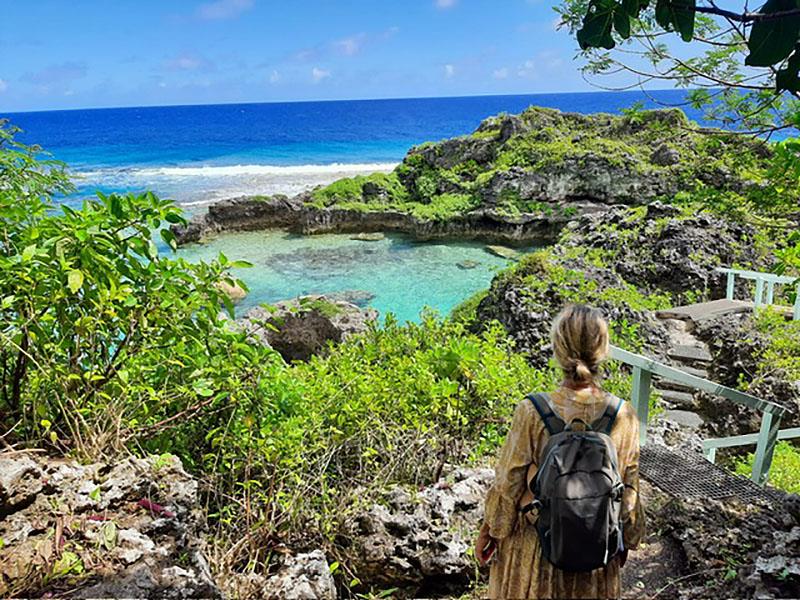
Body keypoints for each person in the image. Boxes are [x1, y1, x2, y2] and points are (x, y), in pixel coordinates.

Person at [475, 304, 645, 599]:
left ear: (557, 348)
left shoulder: (533, 411)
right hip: (595, 550)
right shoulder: (623, 415)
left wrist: (491, 530)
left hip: (536, 551)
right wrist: (627, 540)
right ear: (602, 350)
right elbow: (629, 492)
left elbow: (508, 485)